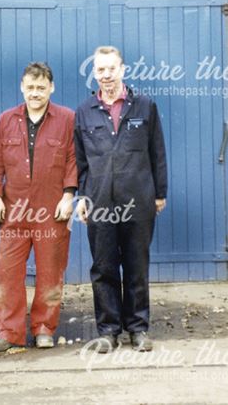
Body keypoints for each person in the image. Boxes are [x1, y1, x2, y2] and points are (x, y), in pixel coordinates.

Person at [74, 46, 168, 353]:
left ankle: (138, 328)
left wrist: (159, 193)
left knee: (136, 265)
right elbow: (80, 162)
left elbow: (157, 152)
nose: (106, 75)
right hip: (100, 201)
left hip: (138, 199)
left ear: (123, 70)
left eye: (111, 68)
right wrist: (82, 198)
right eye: (100, 70)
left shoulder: (144, 106)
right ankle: (108, 330)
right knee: (104, 267)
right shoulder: (85, 111)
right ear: (95, 73)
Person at [0, 62, 77, 352]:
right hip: (14, 209)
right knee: (8, 271)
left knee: (50, 270)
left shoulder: (67, 119)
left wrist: (69, 195)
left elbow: (74, 159)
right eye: (30, 87)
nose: (35, 93)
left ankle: (44, 328)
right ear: (22, 87)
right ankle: (9, 332)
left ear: (51, 88)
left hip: (52, 209)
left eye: (41, 87)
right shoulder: (6, 119)